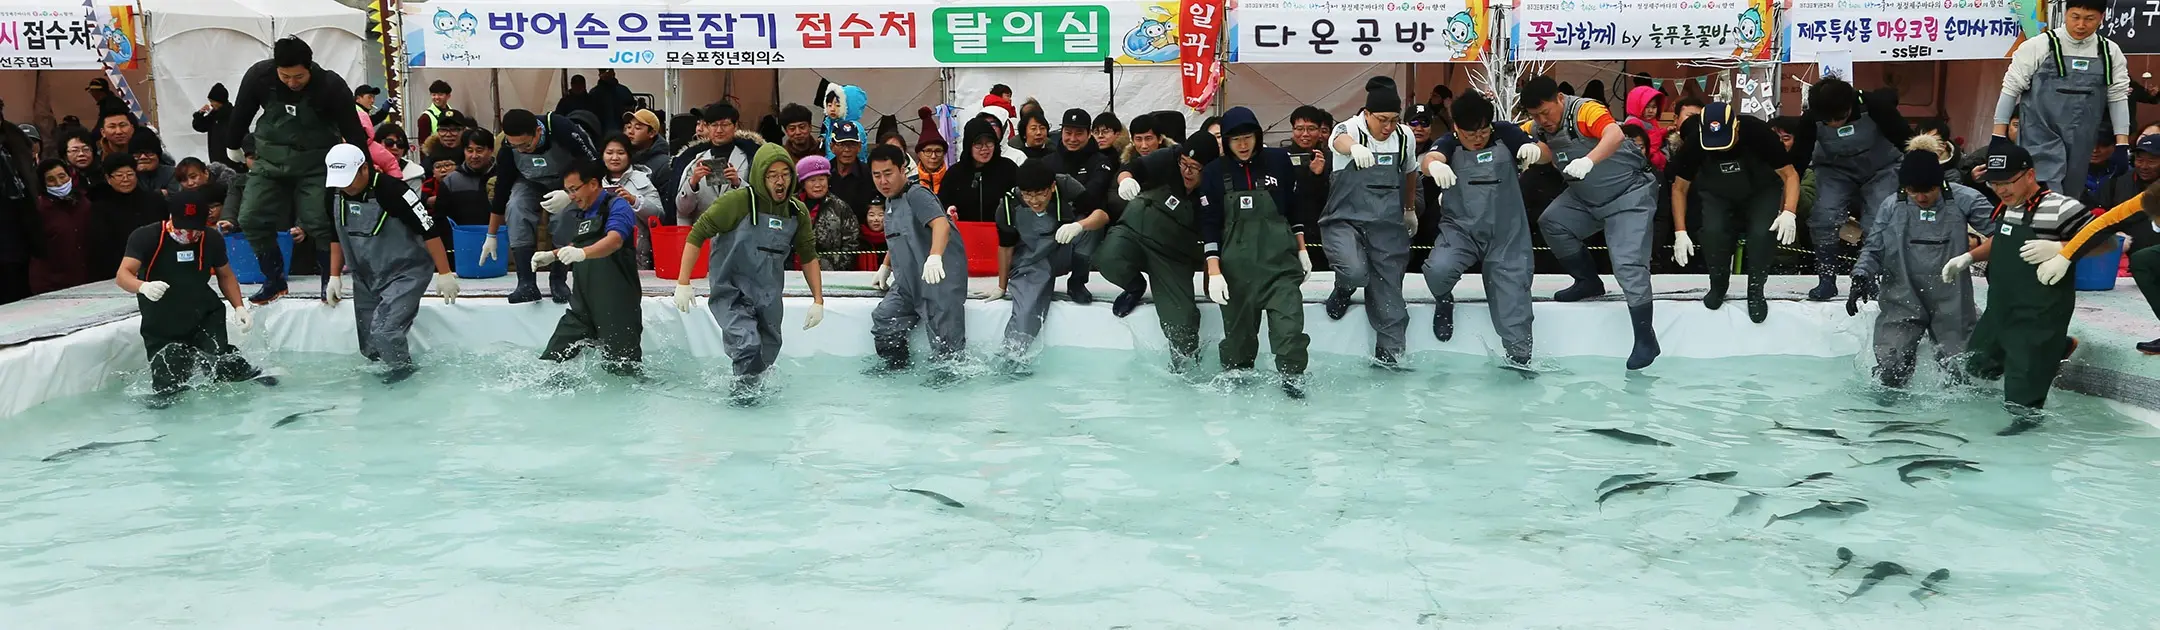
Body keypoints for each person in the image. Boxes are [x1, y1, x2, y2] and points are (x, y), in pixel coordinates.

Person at [1945, 144, 2094, 433]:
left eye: (2007, 182)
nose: (2001, 190)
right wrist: (1967, 257)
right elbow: (2000, 241)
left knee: (2021, 398)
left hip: (2039, 312)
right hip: (2002, 307)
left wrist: (2061, 249)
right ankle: (2056, 350)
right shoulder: (2009, 207)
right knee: (1977, 364)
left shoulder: (2062, 207)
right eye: (1995, 183)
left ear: (2029, 175)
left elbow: (2106, 242)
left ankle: (2024, 428)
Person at [667, 142, 827, 401]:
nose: (780, 182)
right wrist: (683, 282)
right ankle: (742, 406)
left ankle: (749, 403)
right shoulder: (737, 201)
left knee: (766, 355)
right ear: (760, 176)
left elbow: (808, 255)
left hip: (768, 295)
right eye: (772, 175)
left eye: (785, 175)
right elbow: (697, 233)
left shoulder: (797, 211)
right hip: (731, 291)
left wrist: (818, 300)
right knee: (747, 345)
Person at [1522, 75, 1662, 370]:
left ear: (1559, 98)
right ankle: (1587, 281)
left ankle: (1645, 338)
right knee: (1552, 222)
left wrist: (1589, 160)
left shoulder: (1585, 110)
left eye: (1545, 112)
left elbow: (1614, 135)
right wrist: (1534, 151)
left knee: (1627, 264)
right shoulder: (1537, 125)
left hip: (1629, 196)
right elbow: (1536, 145)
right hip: (1585, 198)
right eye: (1535, 116)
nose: (1542, 120)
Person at [225, 37, 374, 305]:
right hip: (270, 162)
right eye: (285, 76)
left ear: (310, 68)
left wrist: (364, 169)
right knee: (250, 217)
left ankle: (330, 280)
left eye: (298, 77)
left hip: (316, 165)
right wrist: (233, 145)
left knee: (319, 220)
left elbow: (352, 130)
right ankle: (274, 280)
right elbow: (241, 113)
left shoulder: (330, 85)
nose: (292, 83)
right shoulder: (260, 76)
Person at [1846, 143, 1995, 390]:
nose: (1921, 197)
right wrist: (1860, 276)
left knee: (1960, 374)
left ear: (1941, 183)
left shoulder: (1966, 199)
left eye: (1929, 190)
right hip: (1902, 297)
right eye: (1913, 191)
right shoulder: (1891, 205)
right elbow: (1874, 247)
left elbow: (2004, 236)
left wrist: (1981, 259)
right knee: (1891, 370)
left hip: (1952, 300)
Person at [1419, 91, 1546, 371]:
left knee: (1515, 306)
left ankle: (1519, 363)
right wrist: (1435, 165)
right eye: (1469, 134)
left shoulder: (1506, 134)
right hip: (1461, 230)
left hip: (1507, 234)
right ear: (1456, 129)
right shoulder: (1449, 143)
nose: (1478, 138)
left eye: (1482, 131)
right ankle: (1444, 299)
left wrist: (1534, 150)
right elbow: (1430, 159)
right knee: (1438, 271)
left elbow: (1545, 154)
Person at [114, 186, 273, 406]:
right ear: (171, 218)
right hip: (162, 318)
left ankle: (255, 376)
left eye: (195, 229)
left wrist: (239, 307)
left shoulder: (211, 239)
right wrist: (142, 287)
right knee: (168, 383)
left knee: (220, 360)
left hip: (204, 311)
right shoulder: (146, 236)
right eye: (183, 228)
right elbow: (123, 275)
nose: (189, 235)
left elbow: (225, 275)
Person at [320, 144, 457, 384]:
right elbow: (335, 234)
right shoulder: (334, 193)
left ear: (364, 169)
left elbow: (429, 229)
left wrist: (444, 273)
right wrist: (334, 276)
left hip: (405, 271)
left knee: (385, 331)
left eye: (350, 180)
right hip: (365, 274)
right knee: (370, 345)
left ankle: (403, 376)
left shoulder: (393, 190)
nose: (346, 187)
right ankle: (384, 385)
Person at [1201, 106, 1309, 398]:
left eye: (1248, 137)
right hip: (1235, 273)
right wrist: (1214, 271)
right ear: (1225, 142)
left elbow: (1293, 207)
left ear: (1258, 136)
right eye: (1235, 140)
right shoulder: (1213, 172)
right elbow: (1209, 224)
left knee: (1290, 332)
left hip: (1280, 268)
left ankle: (1293, 384)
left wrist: (1302, 249)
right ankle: (1238, 394)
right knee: (1238, 344)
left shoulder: (1279, 161)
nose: (1243, 145)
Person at [1320, 77, 1421, 369]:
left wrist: (1409, 209)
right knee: (1354, 271)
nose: (1387, 127)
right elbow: (1337, 140)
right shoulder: (1350, 128)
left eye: (1393, 119)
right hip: (1344, 221)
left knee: (1391, 301)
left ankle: (1389, 360)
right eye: (1381, 120)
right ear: (1367, 114)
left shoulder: (1404, 137)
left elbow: (1411, 171)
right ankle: (1343, 287)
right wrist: (1354, 149)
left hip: (1386, 224)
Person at [1668, 102, 1802, 322]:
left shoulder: (1758, 133)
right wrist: (1680, 232)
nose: (1721, 149)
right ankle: (1718, 284)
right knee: (1712, 232)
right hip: (1717, 192)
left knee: (1761, 234)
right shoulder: (1694, 142)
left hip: (1761, 190)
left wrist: (1789, 212)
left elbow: (1790, 175)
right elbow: (1679, 188)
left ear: (1736, 127)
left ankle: (1756, 290)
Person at [1098, 131, 1216, 371]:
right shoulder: (1167, 157)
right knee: (1108, 258)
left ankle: (1185, 371)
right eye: (1184, 164)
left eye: (1194, 167)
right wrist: (1125, 181)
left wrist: (1211, 278)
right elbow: (1131, 169)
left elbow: (1216, 234)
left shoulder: (1216, 187)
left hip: (1173, 256)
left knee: (1182, 323)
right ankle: (1134, 286)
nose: (1186, 171)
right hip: (1136, 233)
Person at [1994, 0, 2128, 197]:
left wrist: (2122, 143)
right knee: (2042, 196)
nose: (2081, 25)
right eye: (2075, 17)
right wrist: (1998, 137)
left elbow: (2118, 97)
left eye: (2089, 19)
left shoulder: (2110, 52)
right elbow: (2010, 89)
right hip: (2039, 138)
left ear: (2102, 17)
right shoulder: (2038, 46)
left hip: (2083, 142)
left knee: (2070, 199)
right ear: (2066, 14)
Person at [1797, 77, 1910, 301]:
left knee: (1878, 220)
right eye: (1827, 121)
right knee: (1824, 216)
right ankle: (1826, 279)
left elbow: (1909, 142)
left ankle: (1870, 277)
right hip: (1834, 170)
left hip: (1881, 168)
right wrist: (1787, 202)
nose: (1835, 124)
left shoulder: (1876, 106)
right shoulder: (1810, 119)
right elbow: (1798, 161)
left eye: (1839, 118)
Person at [988, 160, 1107, 369]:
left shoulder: (1066, 185)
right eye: (1027, 195)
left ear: (1052, 187)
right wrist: (1001, 286)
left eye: (1040, 194)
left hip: (1064, 248)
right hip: (1031, 260)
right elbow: (1005, 247)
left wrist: (1079, 226)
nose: (1034, 201)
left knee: (1091, 228)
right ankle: (1012, 361)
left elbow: (1102, 215)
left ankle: (1077, 282)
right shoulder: (1008, 204)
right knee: (1025, 313)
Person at [867, 144, 968, 376]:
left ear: (903, 169)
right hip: (908, 285)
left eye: (888, 173)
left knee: (948, 352)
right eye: (877, 175)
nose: (883, 181)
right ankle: (897, 370)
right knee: (884, 320)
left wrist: (934, 257)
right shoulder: (890, 201)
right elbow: (900, 237)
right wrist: (885, 266)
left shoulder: (917, 194)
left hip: (938, 284)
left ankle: (945, 391)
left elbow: (941, 225)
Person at [535, 160, 643, 376]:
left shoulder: (616, 206)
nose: (571, 196)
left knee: (623, 372)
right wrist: (552, 255)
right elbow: (581, 244)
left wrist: (582, 254)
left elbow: (614, 241)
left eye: (574, 189)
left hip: (617, 307)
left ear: (593, 184)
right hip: (582, 308)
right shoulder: (582, 212)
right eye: (568, 191)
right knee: (551, 363)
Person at [486, 108, 598, 304]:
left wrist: (570, 194)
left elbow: (595, 165)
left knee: (565, 216)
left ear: (538, 131)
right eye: (515, 146)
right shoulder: (508, 148)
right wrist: (491, 235)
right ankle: (526, 283)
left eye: (526, 145)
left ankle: (558, 279)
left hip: (567, 181)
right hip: (530, 181)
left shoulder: (562, 128)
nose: (521, 150)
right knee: (516, 206)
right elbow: (502, 190)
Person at [1038, 108, 1114, 301]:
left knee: (1091, 223)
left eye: (1079, 133)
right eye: (1068, 133)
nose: (1072, 138)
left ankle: (1078, 282)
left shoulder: (1100, 161)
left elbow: (1093, 196)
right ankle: (1038, 278)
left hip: (1082, 220)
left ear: (1089, 134)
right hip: (1050, 219)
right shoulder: (1047, 161)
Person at [671, 103, 758, 226]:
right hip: (703, 237)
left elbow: (757, 203)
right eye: (714, 125)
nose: (719, 130)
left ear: (735, 126)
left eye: (725, 125)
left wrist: (738, 183)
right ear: (708, 127)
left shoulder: (750, 159)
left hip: (738, 236)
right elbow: (682, 210)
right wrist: (693, 184)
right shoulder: (694, 161)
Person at [29, 159, 95, 295]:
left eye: (62, 176)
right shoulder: (38, 210)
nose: (59, 183)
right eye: (51, 180)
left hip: (87, 279)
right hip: (52, 284)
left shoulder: (84, 204)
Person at [92, 154, 165, 273]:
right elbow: (102, 245)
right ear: (108, 178)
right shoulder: (101, 207)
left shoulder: (155, 200)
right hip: (118, 269)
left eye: (130, 174)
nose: (125, 179)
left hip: (154, 265)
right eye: (119, 175)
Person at [1285, 106, 1334, 274]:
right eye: (1299, 129)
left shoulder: (1331, 158)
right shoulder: (1280, 157)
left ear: (1320, 131)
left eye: (1311, 129)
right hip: (1289, 230)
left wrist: (1318, 175)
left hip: (1321, 231)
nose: (1305, 134)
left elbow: (1330, 198)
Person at [942, 118, 1019, 223]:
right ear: (969, 145)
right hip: (964, 234)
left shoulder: (1008, 168)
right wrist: (949, 211)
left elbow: (1021, 199)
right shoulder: (955, 174)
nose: (984, 148)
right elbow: (942, 203)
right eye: (978, 144)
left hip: (1003, 234)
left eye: (989, 143)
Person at [793, 155, 861, 271]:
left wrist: (834, 267)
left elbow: (852, 243)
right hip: (793, 271)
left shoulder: (840, 207)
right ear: (803, 183)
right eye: (812, 180)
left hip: (829, 273)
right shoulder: (791, 205)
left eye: (822, 179)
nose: (818, 185)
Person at [435, 128, 498, 230]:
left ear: (491, 150)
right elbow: (441, 220)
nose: (474, 156)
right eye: (469, 150)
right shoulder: (451, 182)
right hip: (463, 240)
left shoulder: (503, 177)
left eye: (479, 150)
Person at [825, 122, 875, 220]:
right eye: (842, 144)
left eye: (852, 145)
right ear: (832, 147)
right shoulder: (824, 173)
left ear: (859, 147)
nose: (847, 150)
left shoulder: (868, 174)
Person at [621, 108, 673, 200]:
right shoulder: (621, 157)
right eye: (628, 127)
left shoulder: (664, 164)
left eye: (637, 128)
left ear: (652, 133)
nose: (630, 132)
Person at [194, 83, 240, 171]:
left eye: (212, 101)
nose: (211, 104)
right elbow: (200, 127)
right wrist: (199, 114)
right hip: (216, 157)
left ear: (220, 101)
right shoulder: (214, 115)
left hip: (231, 158)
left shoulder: (233, 114)